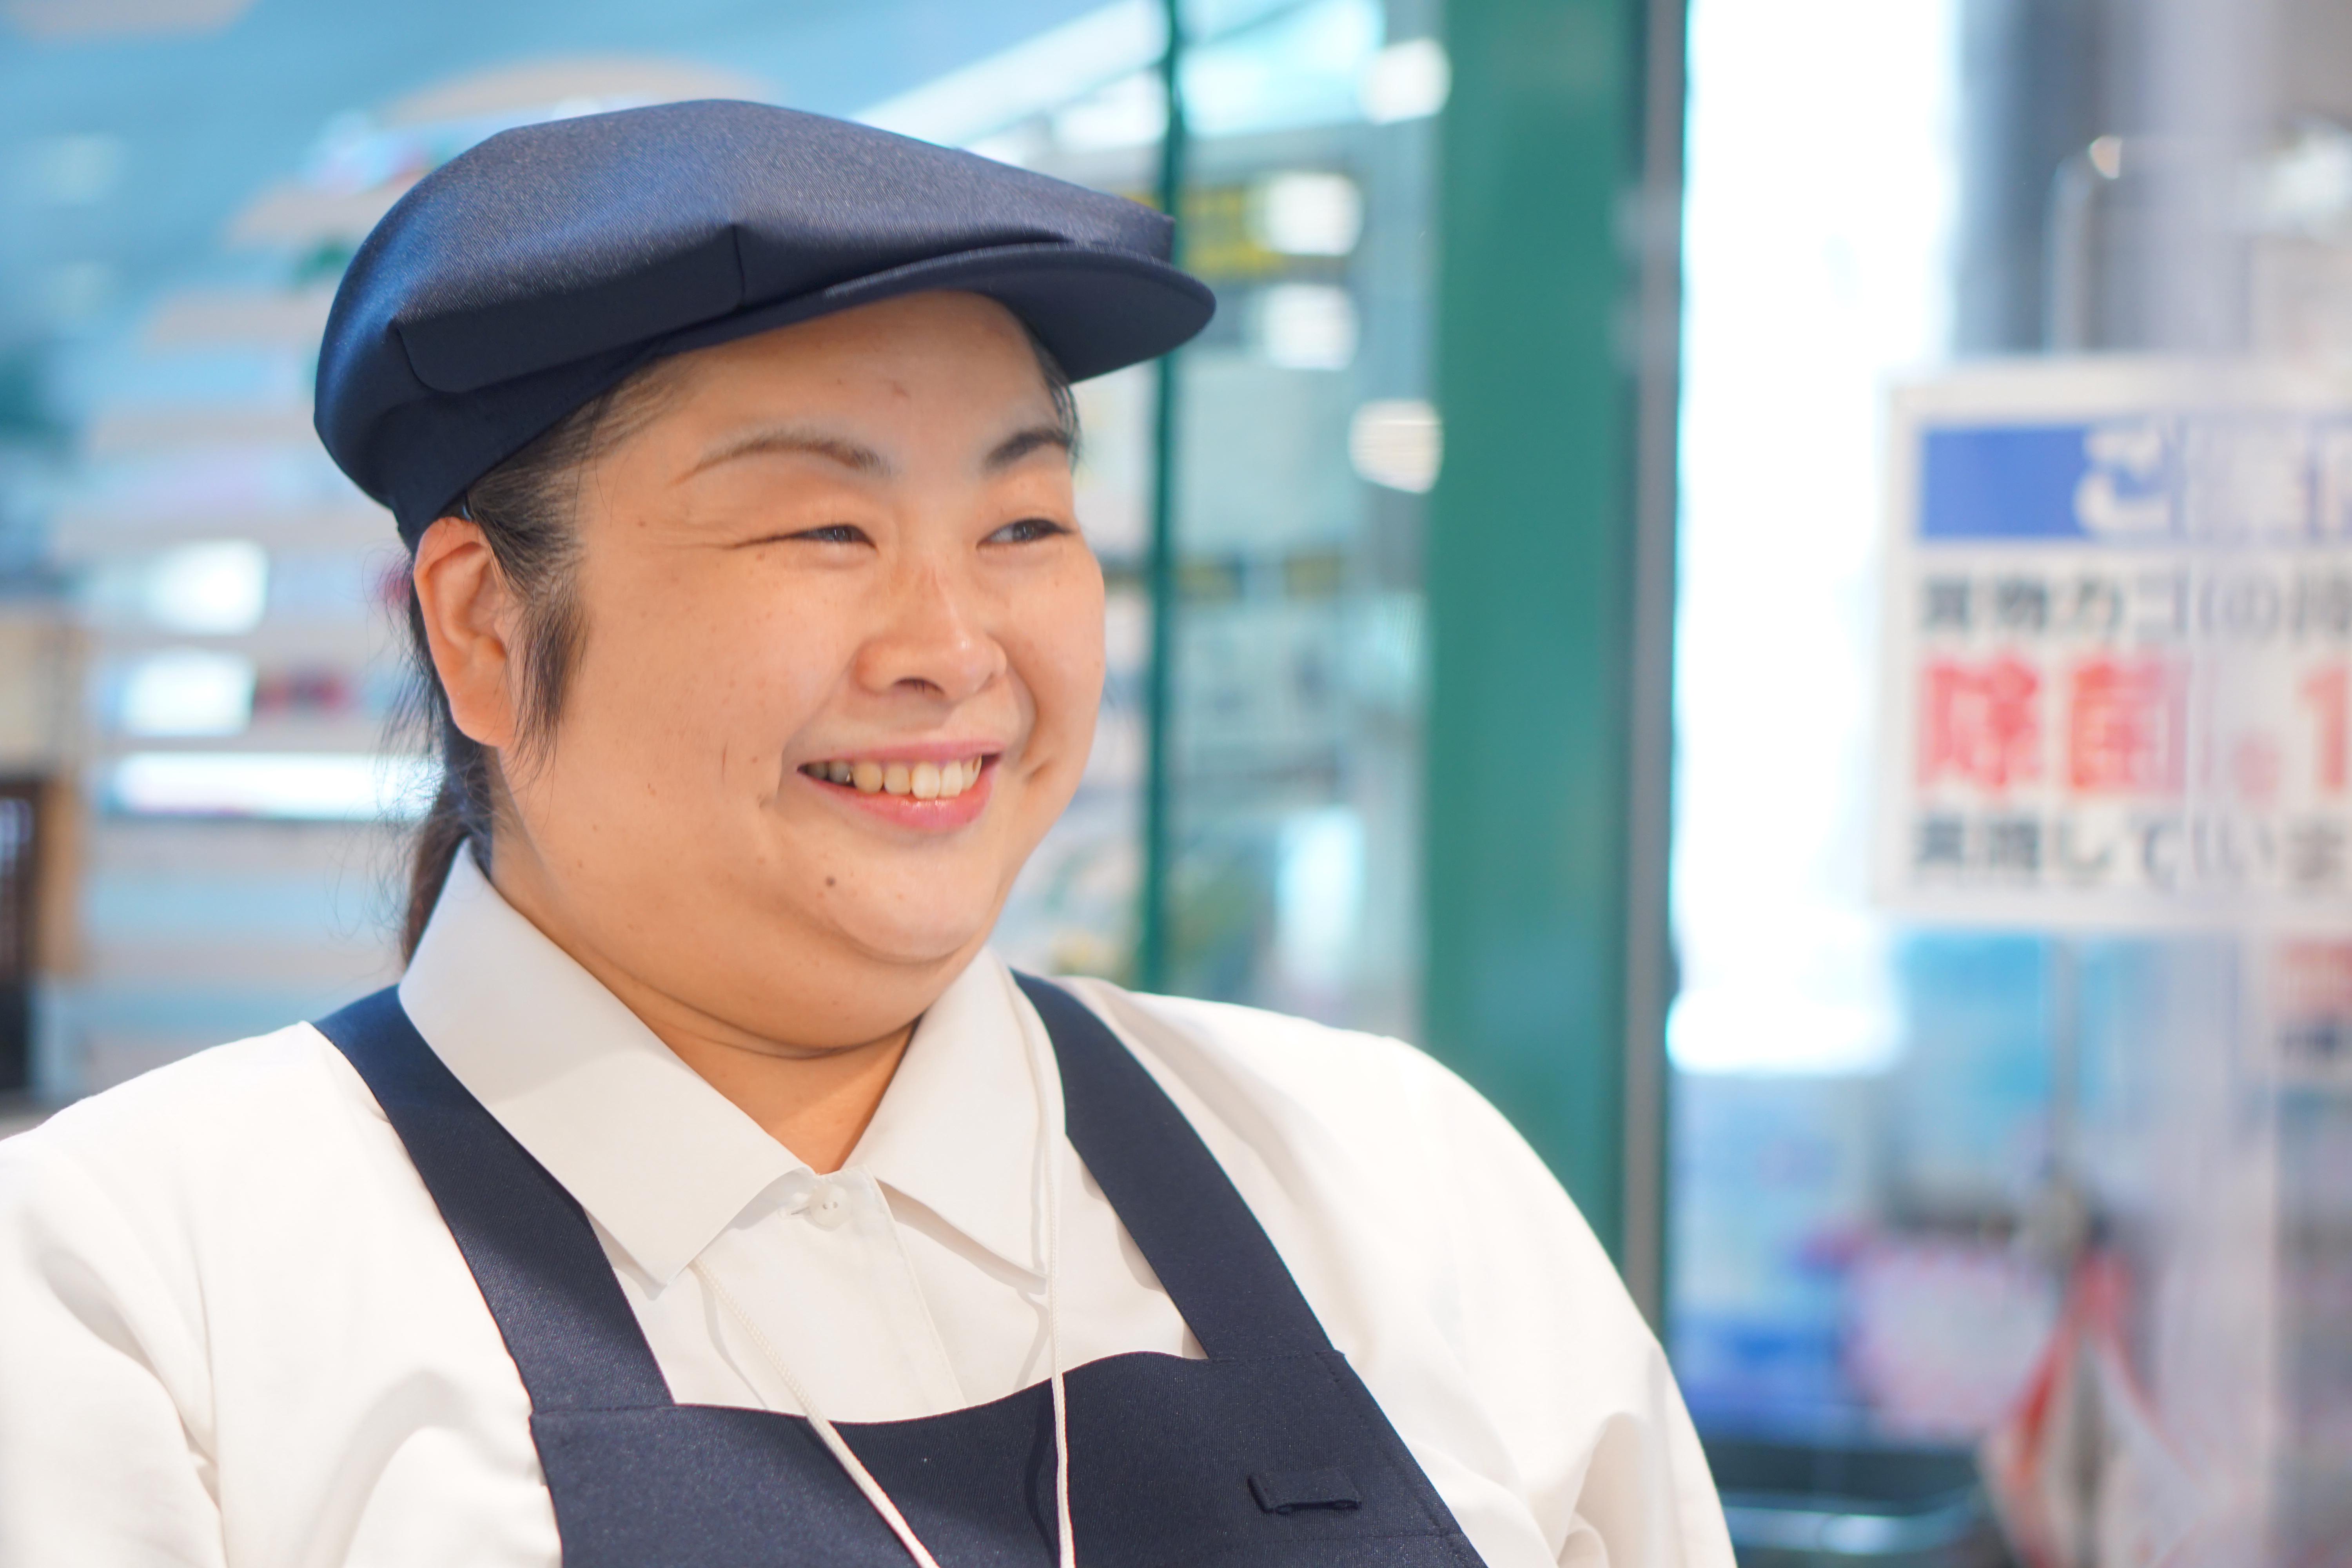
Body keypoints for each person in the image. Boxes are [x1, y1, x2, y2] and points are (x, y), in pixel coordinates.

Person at [0, 101, 1731, 1568]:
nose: (954, 648)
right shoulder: (135, 1292)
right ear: (481, 626)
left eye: (1025, 519)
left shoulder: (1398, 1183)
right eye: (824, 527)